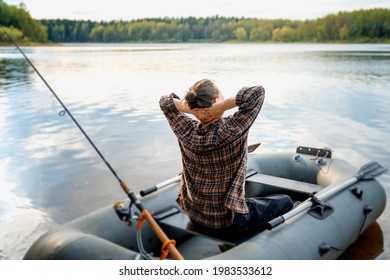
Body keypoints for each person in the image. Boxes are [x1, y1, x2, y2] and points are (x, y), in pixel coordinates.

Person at [159, 79, 293, 236]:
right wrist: (221, 107)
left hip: (195, 216)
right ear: (216, 100)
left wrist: (190, 109)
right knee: (286, 201)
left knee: (253, 203)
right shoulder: (232, 129)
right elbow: (256, 93)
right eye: (221, 96)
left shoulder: (186, 131)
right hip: (229, 222)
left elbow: (164, 102)